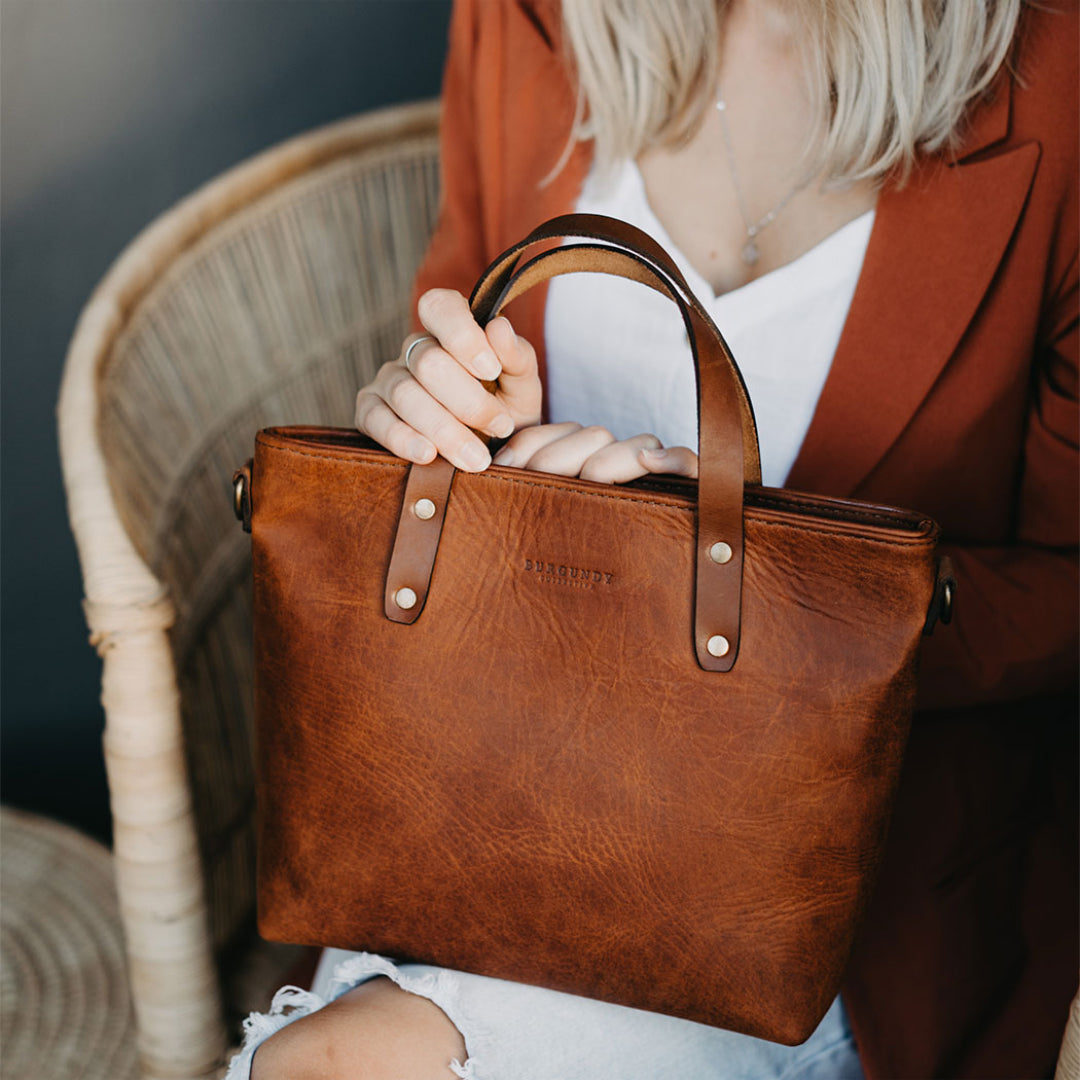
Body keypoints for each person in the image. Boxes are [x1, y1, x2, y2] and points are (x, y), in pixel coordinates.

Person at [227, 1, 1079, 1077]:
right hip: (476, 790)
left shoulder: (1058, 74)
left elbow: (1066, 583)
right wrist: (438, 417)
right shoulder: (530, 17)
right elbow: (453, 350)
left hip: (816, 896)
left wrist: (781, 586)